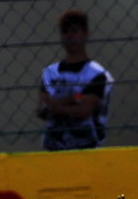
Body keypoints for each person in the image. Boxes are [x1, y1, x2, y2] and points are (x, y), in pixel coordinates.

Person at [37, 9, 113, 151]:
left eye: (74, 31)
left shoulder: (96, 74)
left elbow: (84, 110)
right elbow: (43, 108)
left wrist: (56, 104)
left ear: (85, 33)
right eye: (65, 32)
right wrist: (75, 98)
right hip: (54, 149)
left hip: (86, 149)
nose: (69, 36)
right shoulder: (50, 73)